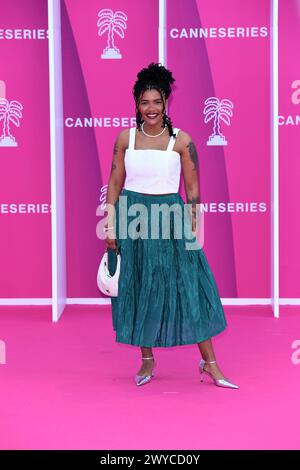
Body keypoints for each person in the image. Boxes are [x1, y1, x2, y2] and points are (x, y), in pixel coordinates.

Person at [104, 63, 238, 389]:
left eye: (157, 102)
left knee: (189, 289)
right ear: (136, 103)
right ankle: (147, 360)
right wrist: (110, 227)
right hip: (132, 219)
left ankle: (210, 364)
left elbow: (192, 192)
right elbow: (114, 184)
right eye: (145, 102)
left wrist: (192, 232)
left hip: (170, 220)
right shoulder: (125, 139)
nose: (151, 108)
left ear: (166, 104)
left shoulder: (182, 141)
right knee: (138, 288)